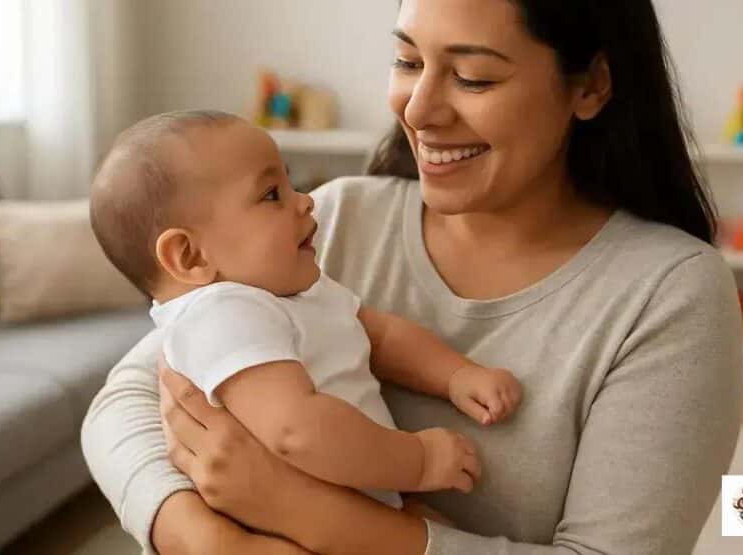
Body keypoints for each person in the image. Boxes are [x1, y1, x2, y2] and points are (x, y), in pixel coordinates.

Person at [82, 0, 743, 555]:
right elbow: (124, 401)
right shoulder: (329, 223)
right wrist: (202, 539)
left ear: (591, 84)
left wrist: (295, 507)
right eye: (407, 60)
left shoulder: (669, 295)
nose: (419, 108)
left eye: (474, 77)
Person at [88, 111, 522, 511]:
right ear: (189, 256)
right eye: (272, 194)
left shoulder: (284, 291)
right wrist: (419, 460)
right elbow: (297, 430)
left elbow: (382, 337)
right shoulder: (220, 314)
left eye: (291, 183)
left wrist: (455, 375)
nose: (306, 201)